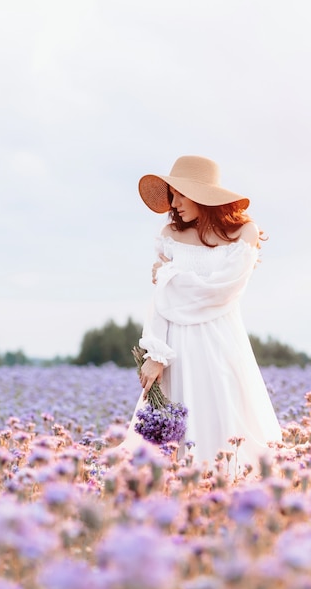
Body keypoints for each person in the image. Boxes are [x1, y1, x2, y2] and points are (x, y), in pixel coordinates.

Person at [120, 155, 282, 469]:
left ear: (202, 196)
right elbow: (160, 301)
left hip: (220, 341)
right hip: (175, 346)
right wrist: (155, 353)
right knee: (173, 430)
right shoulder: (169, 234)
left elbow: (223, 289)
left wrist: (170, 276)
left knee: (223, 417)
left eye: (181, 194)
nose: (174, 202)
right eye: (173, 194)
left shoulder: (244, 232)